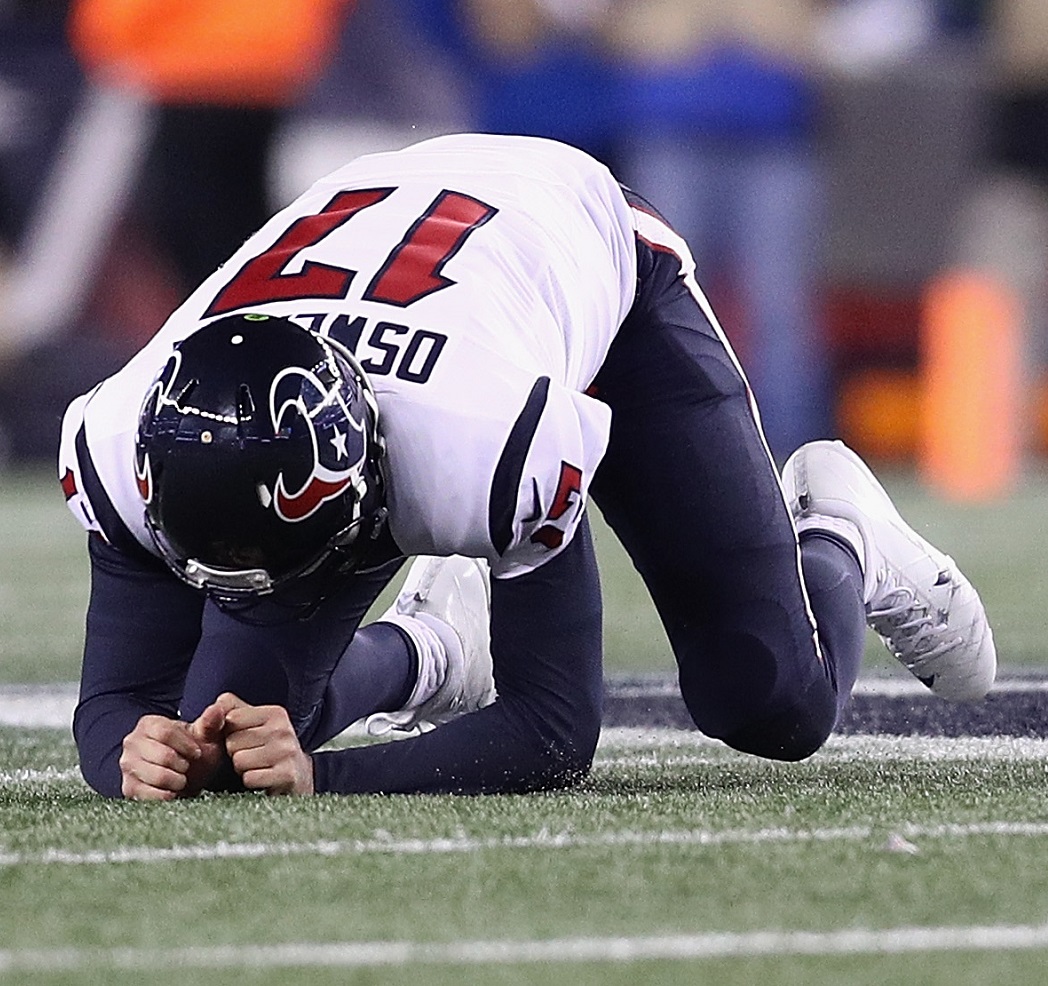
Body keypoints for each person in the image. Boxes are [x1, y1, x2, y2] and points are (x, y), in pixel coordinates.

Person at [57, 133, 996, 800]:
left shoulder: (480, 442)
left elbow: (553, 733)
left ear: (359, 474)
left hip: (590, 253)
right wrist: (136, 753)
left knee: (770, 701)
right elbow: (117, 704)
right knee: (226, 745)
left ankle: (839, 534)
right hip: (411, 263)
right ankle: (430, 651)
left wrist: (325, 778)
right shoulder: (128, 430)